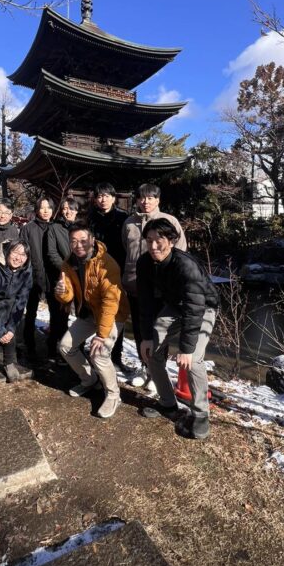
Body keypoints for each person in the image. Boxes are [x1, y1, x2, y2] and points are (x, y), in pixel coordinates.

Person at [136, 218, 218, 439]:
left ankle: (201, 413)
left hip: (203, 308)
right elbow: (145, 302)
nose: (153, 246)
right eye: (149, 240)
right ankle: (167, 403)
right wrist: (146, 337)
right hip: (174, 306)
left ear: (171, 241)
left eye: (159, 241)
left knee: (194, 359)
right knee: (151, 349)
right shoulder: (144, 262)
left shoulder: (186, 265)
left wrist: (186, 349)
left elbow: (194, 308)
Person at [54, 222, 129, 419]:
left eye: (83, 240)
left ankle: (113, 394)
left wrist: (101, 335)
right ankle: (90, 380)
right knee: (65, 346)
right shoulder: (69, 263)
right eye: (73, 241)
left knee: (99, 353)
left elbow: (110, 302)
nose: (78, 245)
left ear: (92, 240)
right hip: (88, 314)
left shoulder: (107, 264)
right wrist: (61, 292)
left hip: (112, 314)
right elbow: (67, 295)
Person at [122, 183, 187, 388]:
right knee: (140, 328)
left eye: (150, 198)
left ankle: (157, 371)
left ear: (158, 200)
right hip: (135, 285)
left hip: (162, 288)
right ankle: (144, 367)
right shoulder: (129, 223)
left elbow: (180, 251)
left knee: (160, 331)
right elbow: (125, 249)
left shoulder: (170, 221)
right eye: (142, 198)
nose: (146, 201)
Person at [0, 240, 33, 397]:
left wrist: (11, 327)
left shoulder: (26, 270)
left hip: (11, 306)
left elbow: (22, 299)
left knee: (10, 330)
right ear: (7, 252)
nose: (18, 258)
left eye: (23, 255)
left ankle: (9, 362)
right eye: (15, 252)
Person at [87, 183, 129, 372]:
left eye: (106, 196)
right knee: (100, 310)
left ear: (113, 198)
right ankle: (98, 352)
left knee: (117, 313)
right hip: (97, 269)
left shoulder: (123, 218)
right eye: (99, 196)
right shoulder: (91, 217)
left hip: (118, 269)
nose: (103, 199)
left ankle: (116, 356)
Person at [20, 196, 54, 361]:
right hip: (32, 275)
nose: (45, 211)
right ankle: (30, 346)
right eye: (42, 207)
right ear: (37, 210)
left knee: (55, 313)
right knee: (31, 312)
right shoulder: (28, 228)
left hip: (52, 276)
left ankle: (52, 347)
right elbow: (23, 252)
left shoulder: (56, 227)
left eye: (49, 207)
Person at [44, 198, 79, 356]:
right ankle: (54, 348)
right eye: (64, 208)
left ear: (76, 210)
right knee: (59, 315)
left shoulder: (81, 227)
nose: (68, 211)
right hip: (62, 276)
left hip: (80, 277)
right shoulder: (54, 228)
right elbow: (52, 253)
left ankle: (76, 349)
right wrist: (67, 269)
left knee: (81, 315)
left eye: (71, 208)